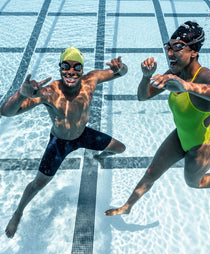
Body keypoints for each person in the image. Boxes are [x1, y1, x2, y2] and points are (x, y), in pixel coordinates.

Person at [105, 21, 210, 216]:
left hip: (202, 145)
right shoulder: (174, 73)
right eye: (168, 47)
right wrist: (146, 76)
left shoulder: (206, 76)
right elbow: (142, 97)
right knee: (151, 173)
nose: (169, 53)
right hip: (180, 136)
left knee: (194, 183)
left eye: (177, 47)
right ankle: (127, 207)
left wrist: (187, 86)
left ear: (193, 51)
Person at [1, 46, 128, 237]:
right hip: (59, 143)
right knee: (38, 184)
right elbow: (6, 112)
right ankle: (18, 212)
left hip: (83, 135)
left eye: (77, 67)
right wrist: (21, 94)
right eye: (66, 66)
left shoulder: (91, 80)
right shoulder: (49, 92)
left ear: (82, 70)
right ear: (60, 68)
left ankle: (101, 157)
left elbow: (120, 73)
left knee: (120, 148)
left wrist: (122, 67)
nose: (71, 71)